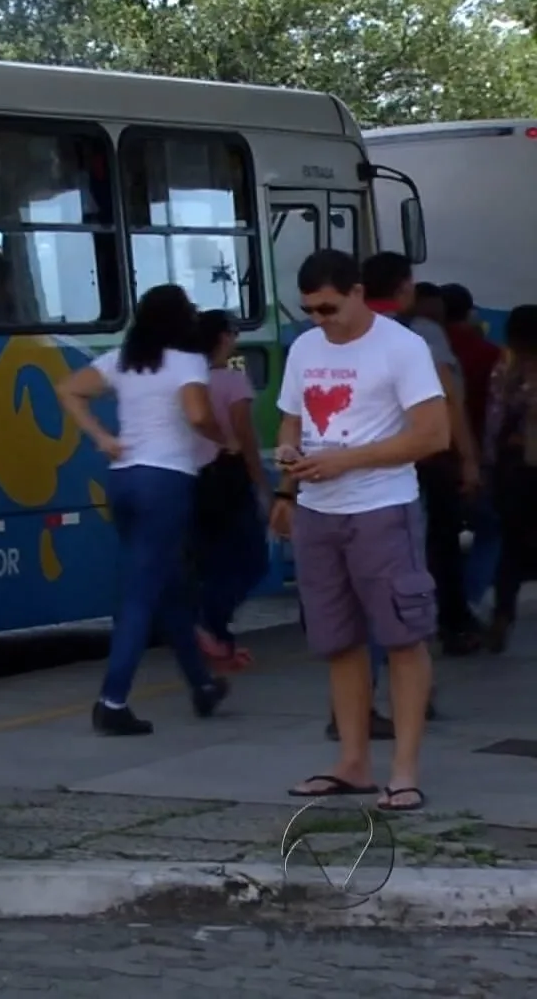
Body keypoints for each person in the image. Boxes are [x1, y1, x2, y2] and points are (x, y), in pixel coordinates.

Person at [274, 249, 448, 812]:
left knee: (402, 636)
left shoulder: (401, 347)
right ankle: (352, 763)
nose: (319, 320)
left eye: (327, 308)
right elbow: (292, 415)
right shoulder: (304, 347)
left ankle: (404, 770)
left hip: (382, 509)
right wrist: (288, 463)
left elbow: (431, 435)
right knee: (337, 640)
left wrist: (347, 461)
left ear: (355, 292)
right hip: (317, 510)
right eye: (309, 311)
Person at [56, 284, 230, 735]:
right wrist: (220, 435)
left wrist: (102, 438)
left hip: (125, 479)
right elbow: (196, 415)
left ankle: (202, 685)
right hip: (165, 480)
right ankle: (112, 701)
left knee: (167, 585)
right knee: (139, 595)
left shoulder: (122, 358)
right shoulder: (187, 361)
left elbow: (69, 390)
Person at [363, 254, 482, 654]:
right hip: (424, 456)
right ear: (403, 287)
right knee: (436, 545)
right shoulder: (422, 334)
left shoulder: (344, 332)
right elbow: (449, 398)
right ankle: (441, 629)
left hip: (371, 461)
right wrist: (467, 456)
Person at [189, 310, 269, 674]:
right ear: (223, 338)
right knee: (252, 561)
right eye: (234, 332)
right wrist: (261, 483)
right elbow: (245, 437)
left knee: (212, 561)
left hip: (194, 481)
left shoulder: (187, 381)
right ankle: (208, 623)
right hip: (229, 479)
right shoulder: (233, 381)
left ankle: (217, 639)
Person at [443, 283, 504, 614]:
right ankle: (470, 597)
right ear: (470, 313)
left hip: (432, 459)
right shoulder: (488, 354)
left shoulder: (425, 350)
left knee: (439, 535)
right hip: (474, 455)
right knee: (490, 530)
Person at [482, 305, 537, 652]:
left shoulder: (505, 367)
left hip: (515, 468)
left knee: (513, 544)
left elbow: (494, 418)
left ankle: (503, 613)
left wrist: (488, 462)